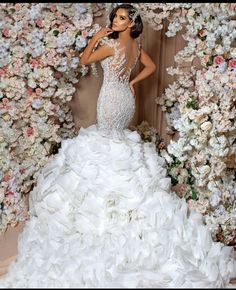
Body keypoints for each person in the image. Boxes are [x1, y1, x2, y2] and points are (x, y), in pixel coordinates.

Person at [0, 3, 235, 288]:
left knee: (107, 142)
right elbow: (149, 67)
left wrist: (98, 35)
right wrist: (133, 81)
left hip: (111, 99)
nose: (117, 20)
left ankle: (107, 199)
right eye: (116, 16)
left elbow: (86, 60)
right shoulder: (135, 48)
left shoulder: (111, 45)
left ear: (130, 22)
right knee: (118, 141)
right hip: (125, 99)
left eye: (122, 18)